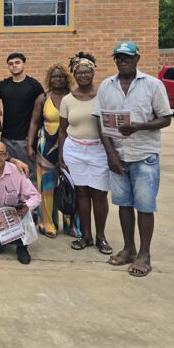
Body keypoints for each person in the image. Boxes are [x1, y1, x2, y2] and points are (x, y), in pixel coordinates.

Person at [94, 41, 172, 277]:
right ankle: (129, 248)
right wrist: (111, 155)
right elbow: (101, 121)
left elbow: (166, 118)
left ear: (137, 58)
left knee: (145, 207)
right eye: (118, 57)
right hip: (118, 155)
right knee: (124, 205)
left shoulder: (152, 85)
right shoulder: (107, 86)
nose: (122, 61)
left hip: (144, 156)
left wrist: (141, 126)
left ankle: (144, 254)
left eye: (127, 57)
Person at [59, 52, 111, 254]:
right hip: (74, 149)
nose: (83, 75)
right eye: (79, 72)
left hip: (99, 149)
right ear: (74, 74)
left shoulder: (103, 96)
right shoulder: (67, 100)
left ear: (93, 73)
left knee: (99, 193)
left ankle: (101, 236)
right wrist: (61, 154)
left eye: (87, 71)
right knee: (81, 193)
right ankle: (86, 235)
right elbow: (62, 130)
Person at [27, 63, 77, 238]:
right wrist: (29, 144)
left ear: (67, 79)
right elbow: (34, 122)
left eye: (61, 77)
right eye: (54, 77)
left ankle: (71, 224)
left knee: (70, 185)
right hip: (46, 146)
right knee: (46, 186)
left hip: (71, 146)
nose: (58, 79)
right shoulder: (43, 98)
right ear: (49, 79)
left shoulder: (74, 97)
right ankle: (46, 222)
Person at [0, 141, 41, 264]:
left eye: (1, 154)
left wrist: (27, 206)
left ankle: (21, 247)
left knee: (31, 214)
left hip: (16, 212)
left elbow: (36, 196)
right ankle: (8, 237)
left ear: (6, 155)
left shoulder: (17, 170)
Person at [0, 52, 44, 175]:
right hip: (6, 138)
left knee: (29, 173)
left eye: (17, 63)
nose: (14, 66)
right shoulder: (2, 86)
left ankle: (31, 195)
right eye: (10, 64)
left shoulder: (34, 86)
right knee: (9, 173)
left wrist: (31, 143)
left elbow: (38, 116)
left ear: (23, 64)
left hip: (25, 139)